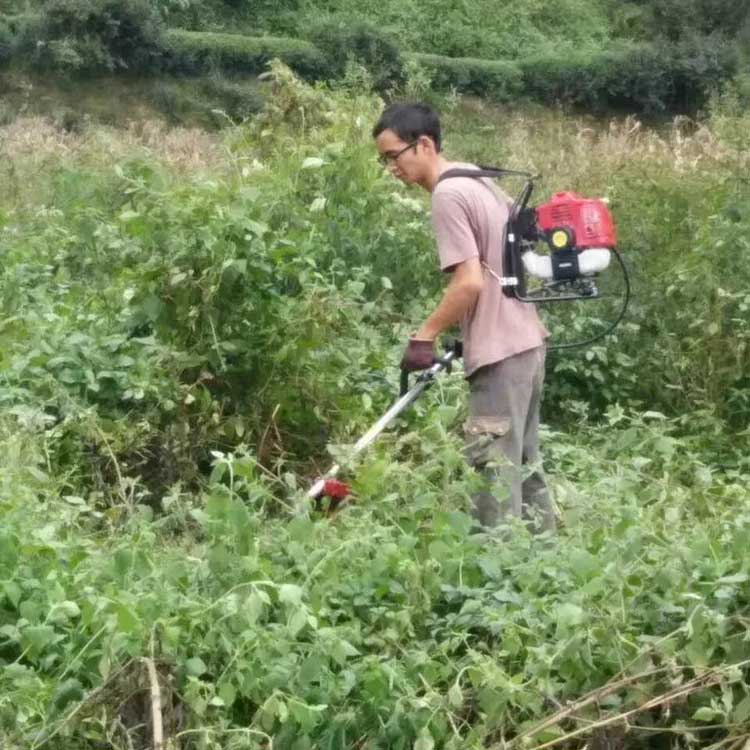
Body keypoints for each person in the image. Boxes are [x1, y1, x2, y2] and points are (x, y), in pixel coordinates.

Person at [372, 102, 555, 533]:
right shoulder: (475, 177)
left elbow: (469, 282)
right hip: (527, 342)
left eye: (393, 157)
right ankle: (546, 565)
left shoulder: (448, 194)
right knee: (526, 466)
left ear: (425, 144)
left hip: (500, 353)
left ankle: (497, 581)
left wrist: (425, 337)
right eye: (384, 160)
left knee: (494, 474)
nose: (390, 169)